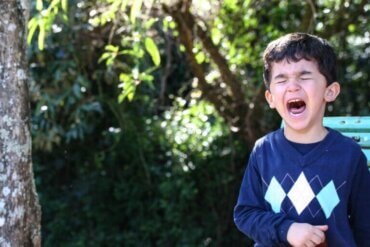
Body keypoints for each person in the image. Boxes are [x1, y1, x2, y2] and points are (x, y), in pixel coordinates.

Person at [233, 33, 370, 246]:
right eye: (281, 79)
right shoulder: (263, 151)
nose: (293, 86)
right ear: (270, 98)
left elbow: (365, 227)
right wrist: (286, 229)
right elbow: (245, 214)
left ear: (330, 91)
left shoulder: (350, 155)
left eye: (304, 76)